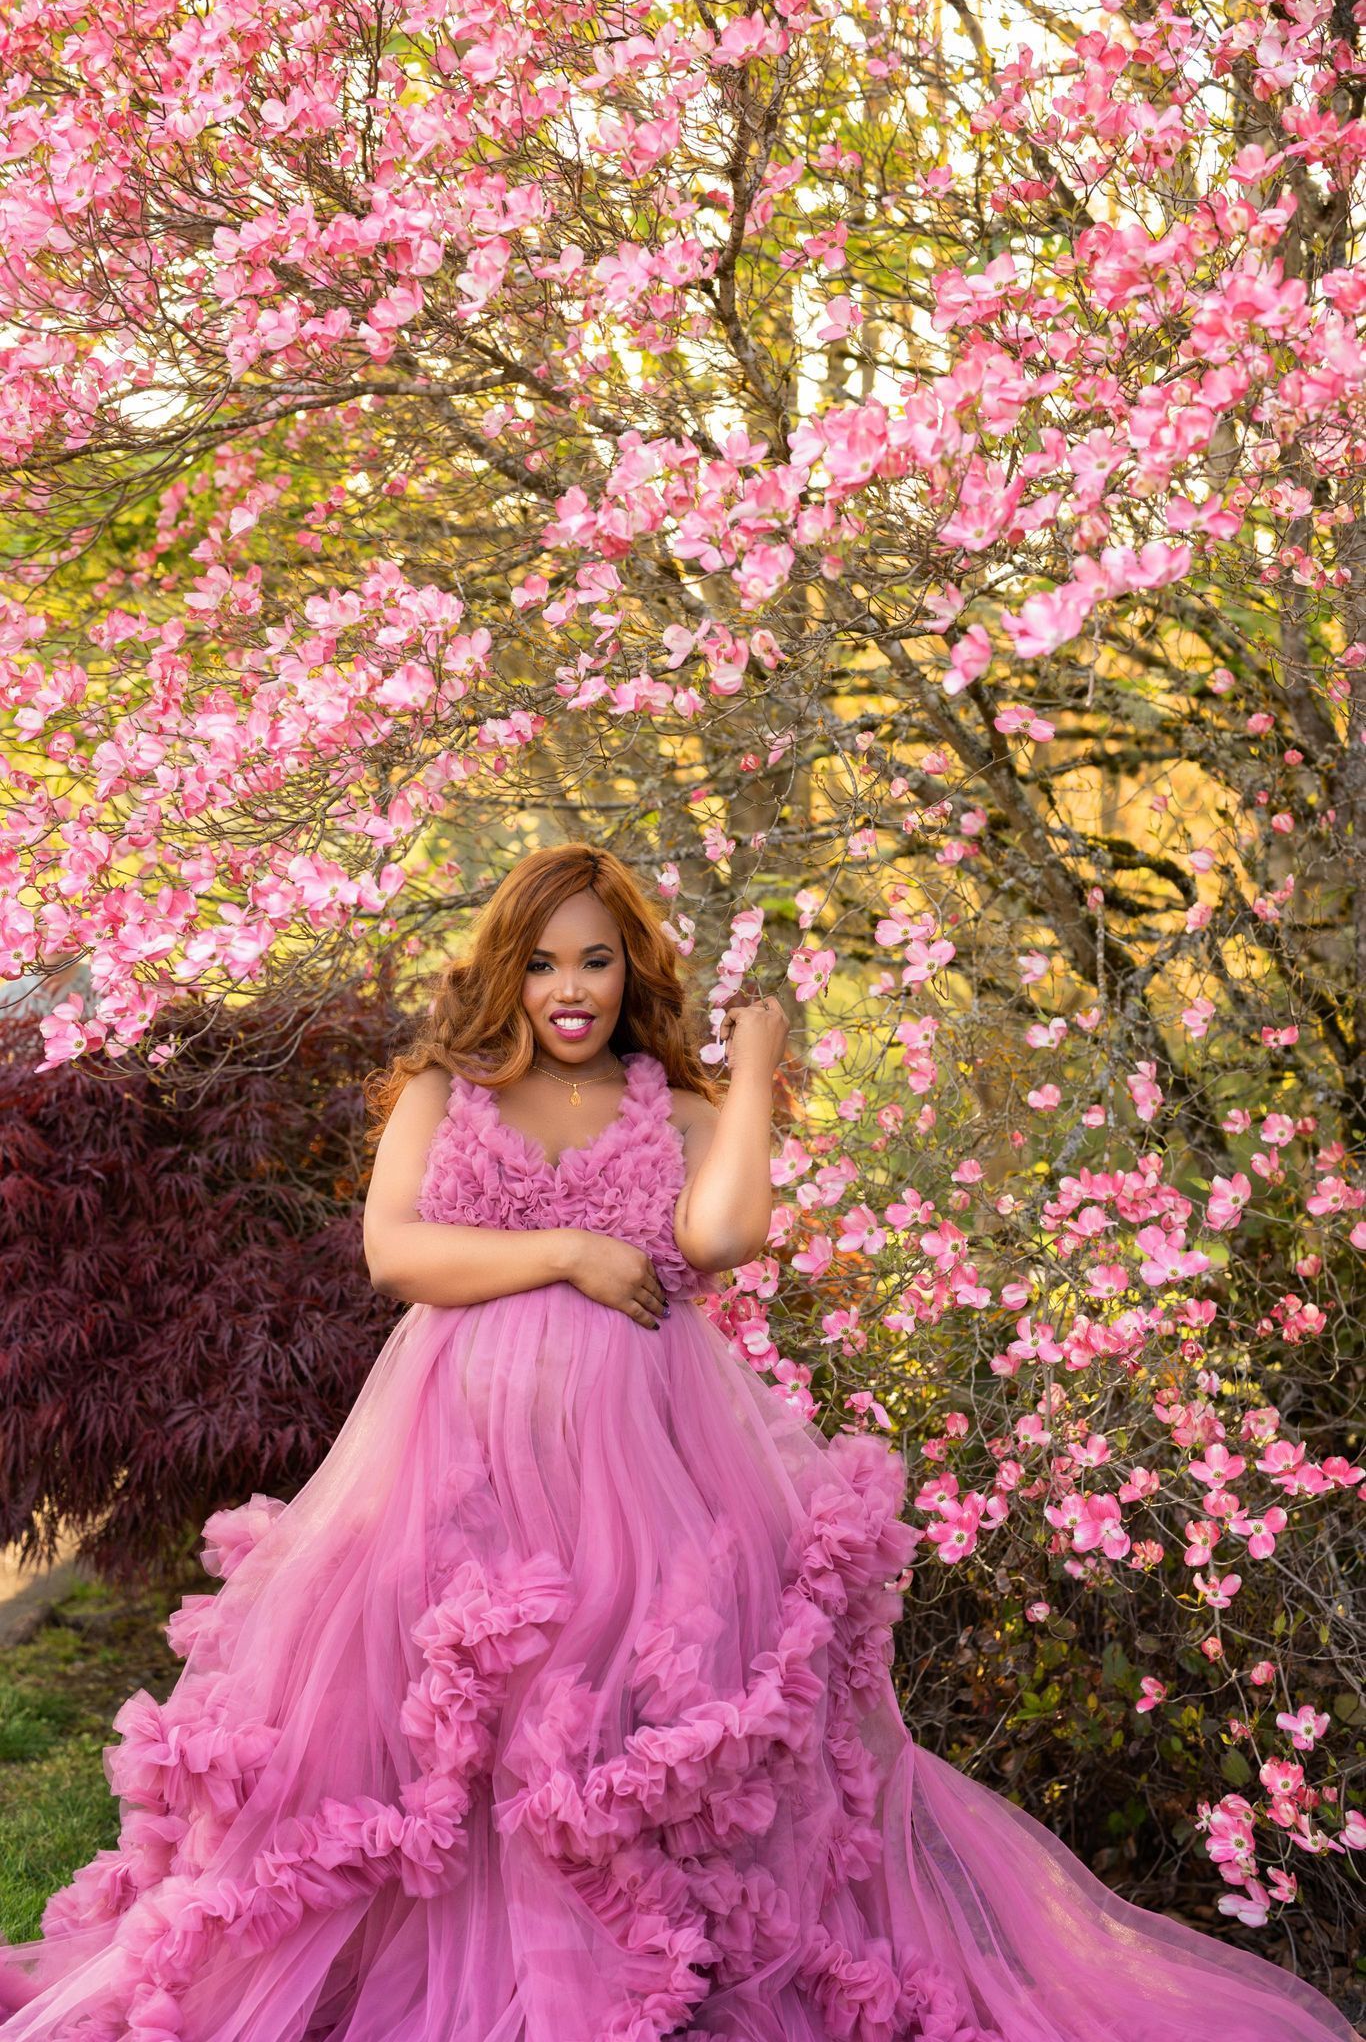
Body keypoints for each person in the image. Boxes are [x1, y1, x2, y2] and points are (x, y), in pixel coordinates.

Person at [0, 841, 1358, 2042]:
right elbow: (396, 1252)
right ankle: (455, 1980)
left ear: (631, 971)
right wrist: (570, 1252)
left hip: (643, 1476)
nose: (570, 988)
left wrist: (752, 1073)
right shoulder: (446, 1091)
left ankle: (622, 1980)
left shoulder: (673, 1102)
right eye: (543, 962)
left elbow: (721, 1236)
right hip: (453, 1470)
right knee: (453, 1736)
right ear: (505, 972)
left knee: (600, 1734)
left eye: (596, 960)